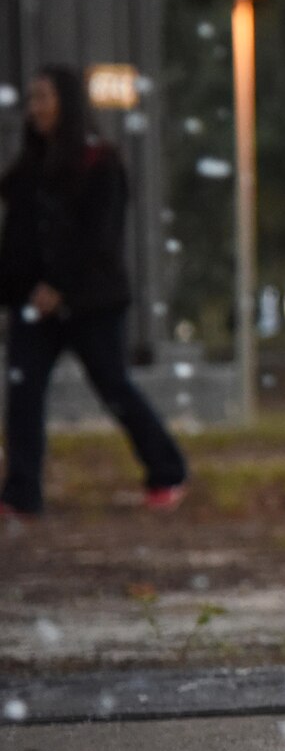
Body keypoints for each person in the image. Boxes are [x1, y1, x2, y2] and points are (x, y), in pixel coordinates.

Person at [0, 65, 189, 518]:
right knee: (23, 393)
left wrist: (61, 287)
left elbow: (99, 237)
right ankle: (21, 492)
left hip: (92, 303)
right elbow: (18, 242)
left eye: (44, 97)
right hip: (34, 308)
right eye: (32, 100)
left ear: (66, 102)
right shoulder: (28, 170)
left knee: (113, 385)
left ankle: (167, 470)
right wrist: (19, 290)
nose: (36, 108)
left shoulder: (99, 163)